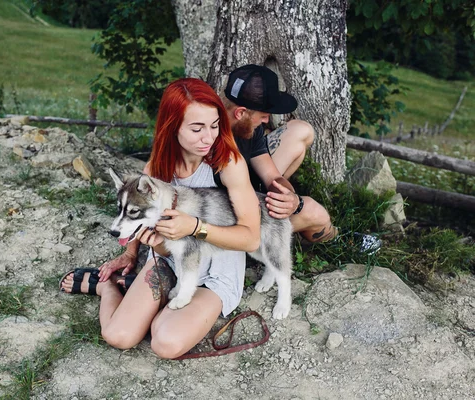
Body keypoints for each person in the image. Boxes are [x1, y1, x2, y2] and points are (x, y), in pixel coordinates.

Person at [59, 78, 261, 359]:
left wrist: (194, 227)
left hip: (216, 272)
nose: (209, 137)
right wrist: (131, 253)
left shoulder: (228, 163)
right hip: (168, 259)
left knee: (165, 342)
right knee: (118, 336)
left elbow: (251, 237)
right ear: (172, 126)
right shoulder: (157, 167)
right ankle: (107, 288)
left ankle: (161, 306)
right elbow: (141, 213)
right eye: (197, 128)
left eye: (214, 125)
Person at [220, 64, 381, 253]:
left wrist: (290, 198)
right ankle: (336, 240)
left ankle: (279, 220)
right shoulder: (207, 137)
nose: (266, 121)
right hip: (227, 217)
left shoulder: (246, 127)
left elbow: (272, 176)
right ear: (240, 113)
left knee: (300, 131)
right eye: (263, 116)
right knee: (315, 212)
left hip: (246, 193)